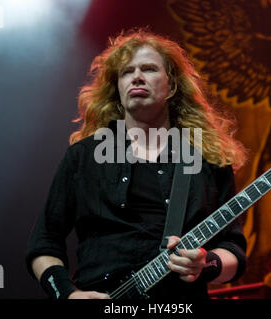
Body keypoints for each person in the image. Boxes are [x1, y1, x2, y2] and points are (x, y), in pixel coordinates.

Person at [25, 29, 248, 299]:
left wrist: (206, 263)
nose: (137, 77)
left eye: (149, 69)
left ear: (172, 85)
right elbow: (44, 244)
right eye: (126, 72)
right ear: (117, 89)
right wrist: (68, 295)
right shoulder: (84, 156)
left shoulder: (207, 159)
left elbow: (233, 250)